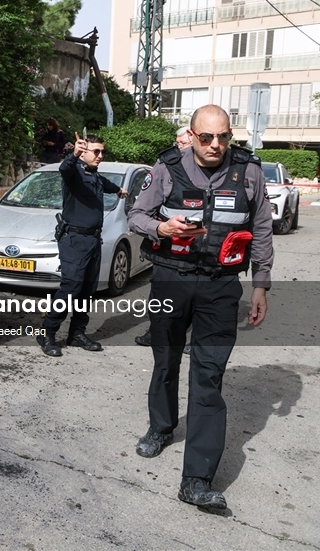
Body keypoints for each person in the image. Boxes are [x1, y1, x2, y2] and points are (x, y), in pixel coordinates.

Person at [127, 104, 274, 510]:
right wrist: (160, 226)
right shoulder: (165, 168)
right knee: (166, 360)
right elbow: (135, 214)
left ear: (231, 136)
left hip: (221, 285)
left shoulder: (249, 172)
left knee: (209, 377)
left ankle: (196, 479)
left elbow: (261, 228)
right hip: (171, 278)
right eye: (206, 137)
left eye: (223, 137)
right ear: (191, 136)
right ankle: (161, 427)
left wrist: (261, 284)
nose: (215, 145)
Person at [36, 132, 128, 356]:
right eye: (96, 151)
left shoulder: (93, 174)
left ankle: (77, 333)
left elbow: (104, 183)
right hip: (74, 240)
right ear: (84, 152)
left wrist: (118, 190)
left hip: (93, 239)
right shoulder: (73, 172)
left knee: (87, 289)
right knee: (70, 288)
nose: (100, 155)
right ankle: (47, 332)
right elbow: (64, 169)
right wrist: (73, 154)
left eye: (102, 152)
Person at [135, 124, 194, 348]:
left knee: (197, 300)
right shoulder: (166, 165)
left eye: (183, 142)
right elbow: (141, 212)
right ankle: (155, 332)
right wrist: (160, 229)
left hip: (202, 251)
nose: (179, 147)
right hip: (170, 249)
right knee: (159, 297)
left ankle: (193, 340)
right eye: (178, 143)